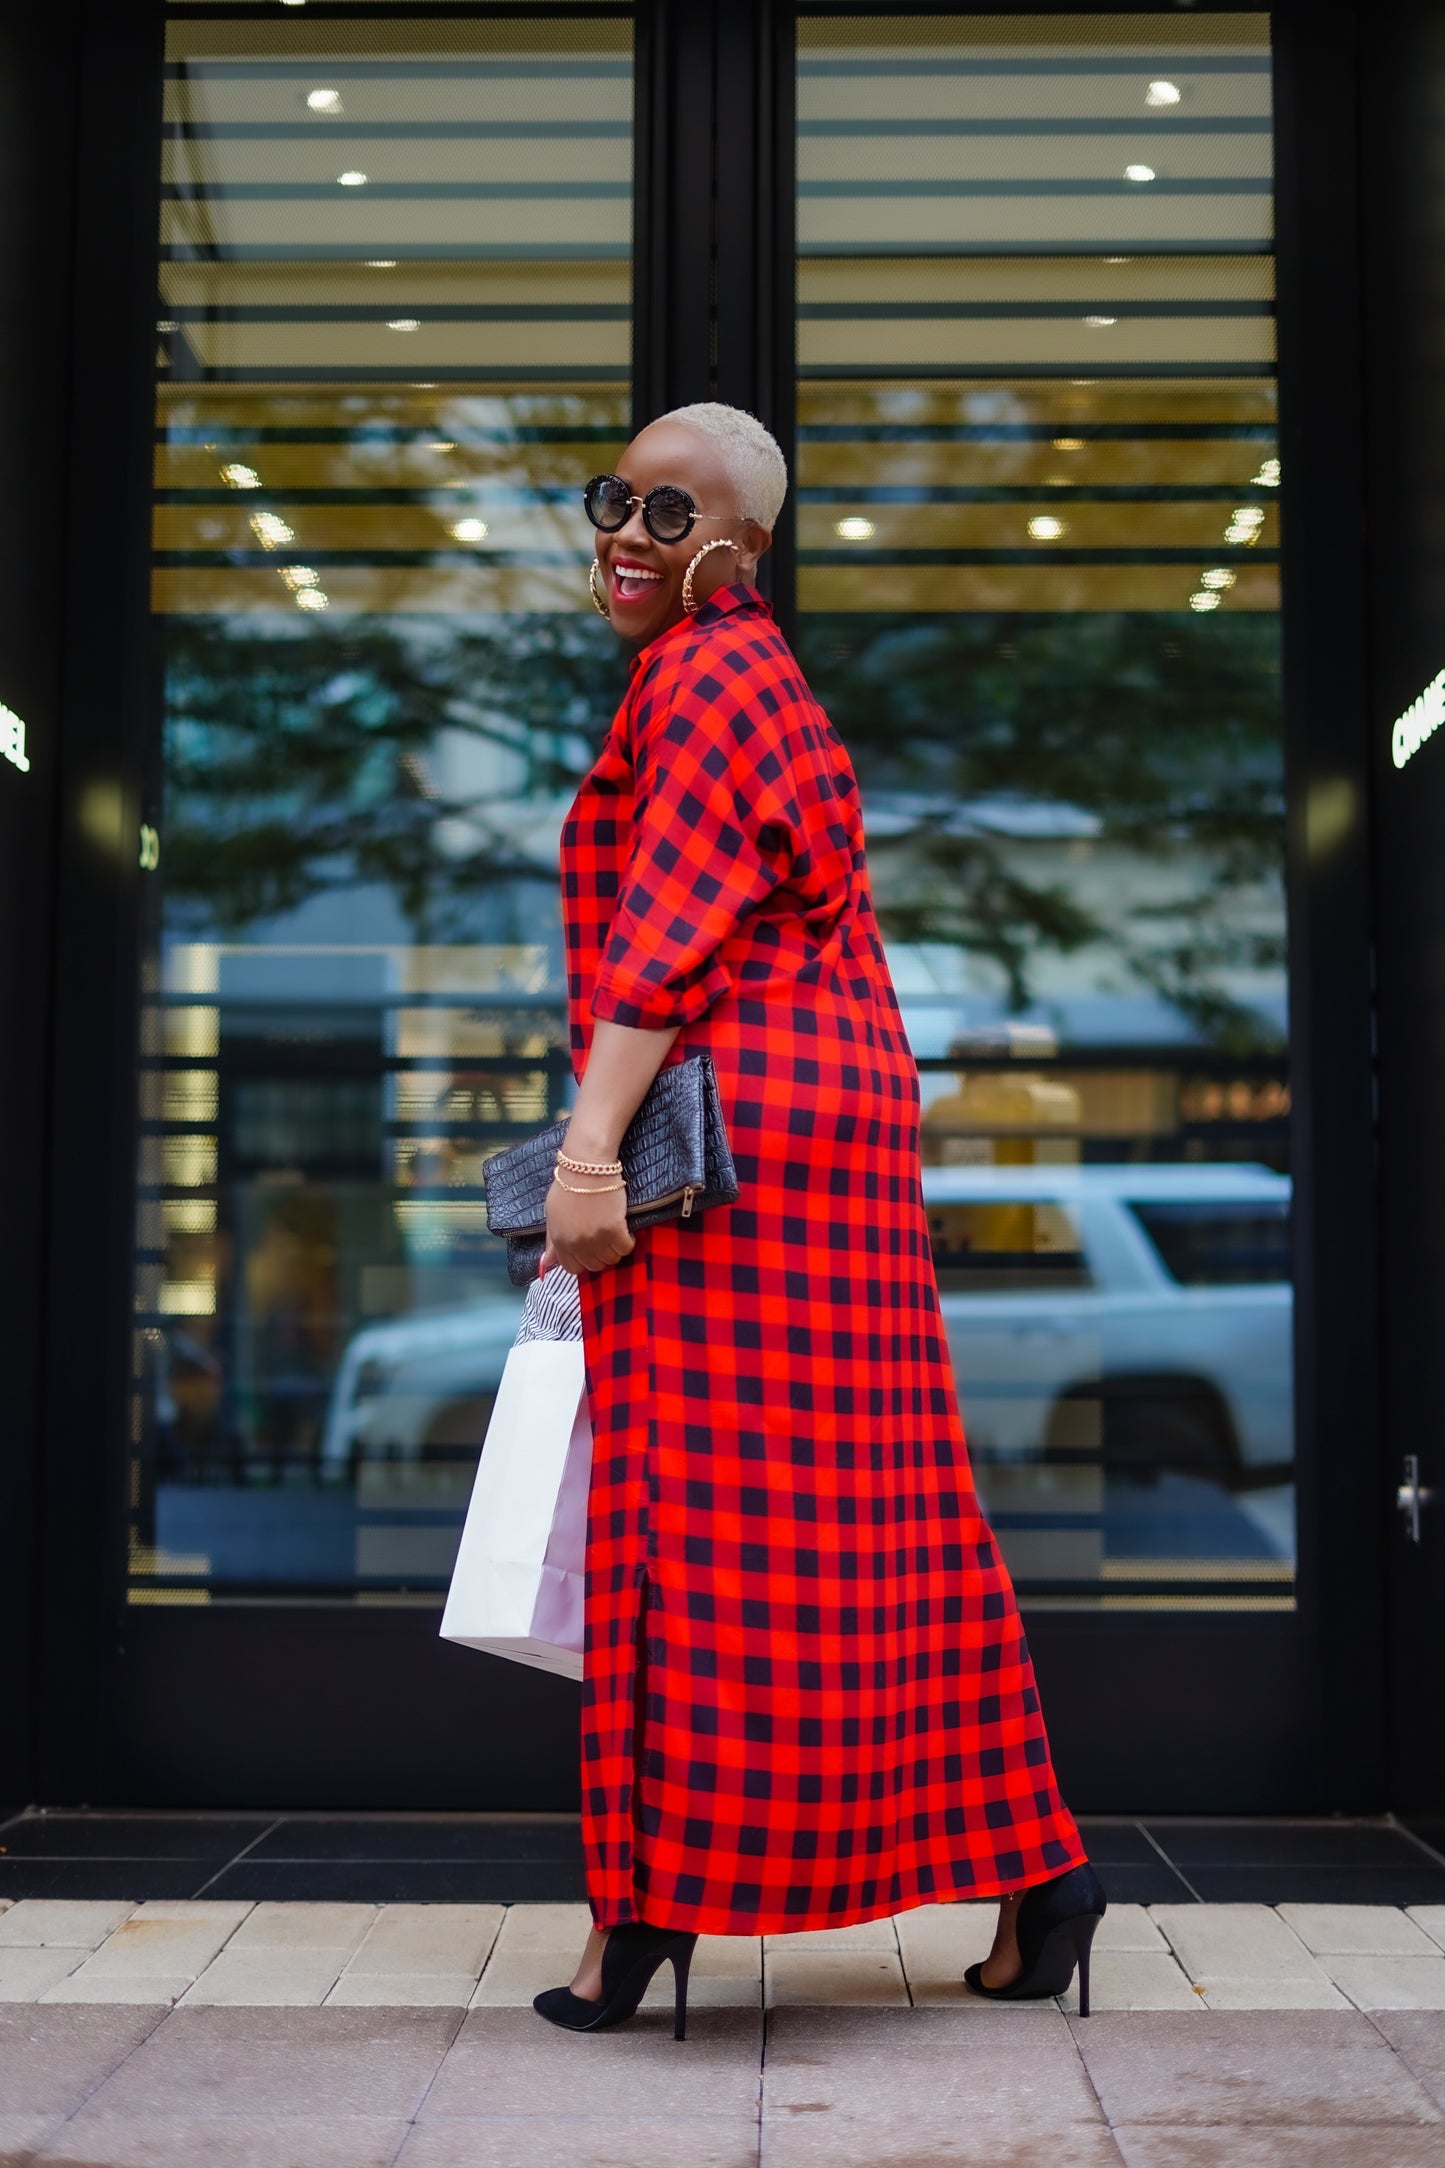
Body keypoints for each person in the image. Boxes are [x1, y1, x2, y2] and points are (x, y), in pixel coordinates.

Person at [532, 403, 1105, 2037]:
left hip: (734, 1149)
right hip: (822, 1142)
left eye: (667, 512)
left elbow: (669, 921)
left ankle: (640, 1917)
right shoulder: (745, 677)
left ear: (742, 544)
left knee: (686, 1529)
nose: (627, 538)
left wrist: (587, 1152)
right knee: (871, 1522)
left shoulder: (709, 675)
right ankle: (1037, 1876)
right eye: (611, 503)